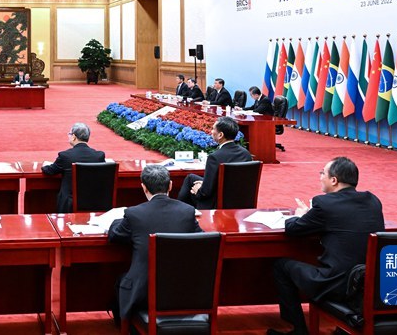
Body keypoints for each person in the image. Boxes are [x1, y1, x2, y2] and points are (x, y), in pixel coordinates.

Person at [268, 157, 384, 335]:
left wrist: (300, 215)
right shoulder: (373, 200)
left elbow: (293, 229)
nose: (320, 177)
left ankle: (298, 330)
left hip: (336, 284)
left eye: (322, 173)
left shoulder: (324, 204)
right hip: (369, 284)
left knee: (281, 266)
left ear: (334, 180)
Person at [108, 164, 202, 324]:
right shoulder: (187, 211)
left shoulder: (134, 214)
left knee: (121, 280)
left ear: (143, 187)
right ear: (170, 185)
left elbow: (115, 236)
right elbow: (202, 240)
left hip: (144, 295)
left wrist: (118, 220)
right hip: (185, 292)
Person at [177, 116, 251, 209]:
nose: (211, 132)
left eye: (213, 129)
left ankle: (179, 212)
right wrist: (204, 184)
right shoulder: (246, 154)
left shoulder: (215, 157)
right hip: (240, 199)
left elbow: (205, 193)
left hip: (217, 203)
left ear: (220, 135)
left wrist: (198, 190)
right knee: (191, 178)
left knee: (191, 184)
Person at [41, 122, 106, 213]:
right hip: (93, 202)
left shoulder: (65, 156)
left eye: (69, 134)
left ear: (74, 137)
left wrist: (44, 165)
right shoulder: (98, 156)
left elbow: (50, 171)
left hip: (69, 205)